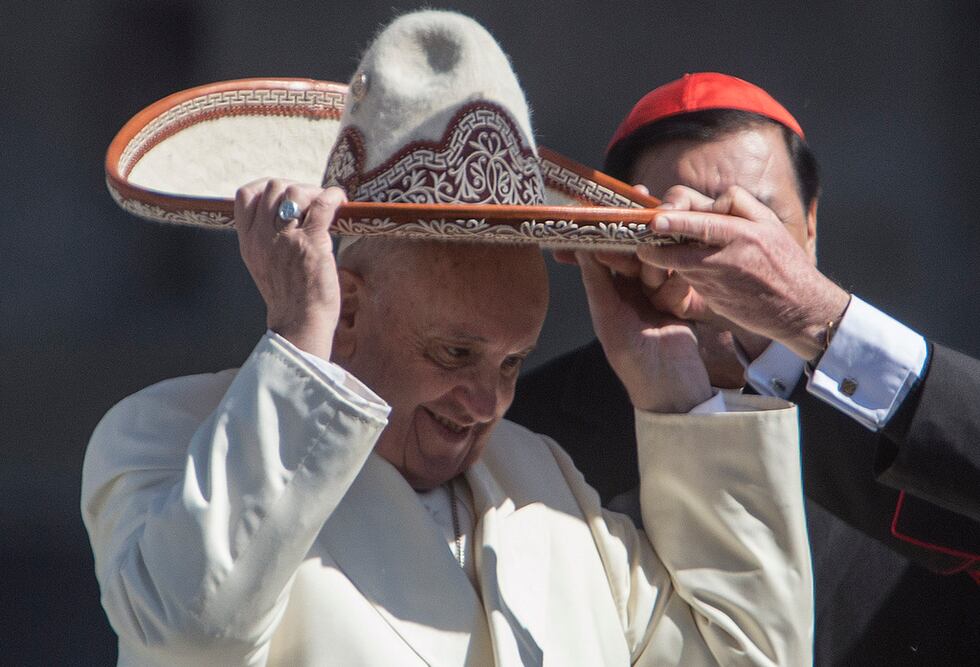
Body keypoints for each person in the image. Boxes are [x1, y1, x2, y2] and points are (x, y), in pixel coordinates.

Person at [82, 15, 813, 666]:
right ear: (346, 311)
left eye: (513, 360)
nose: (487, 399)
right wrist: (296, 350)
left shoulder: (549, 487)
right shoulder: (168, 438)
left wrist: (672, 388)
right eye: (455, 353)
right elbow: (188, 634)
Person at [508, 73, 980, 666]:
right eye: (677, 229)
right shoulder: (528, 434)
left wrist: (812, 316)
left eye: (758, 221)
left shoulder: (898, 413)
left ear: (811, 225)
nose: (716, 258)